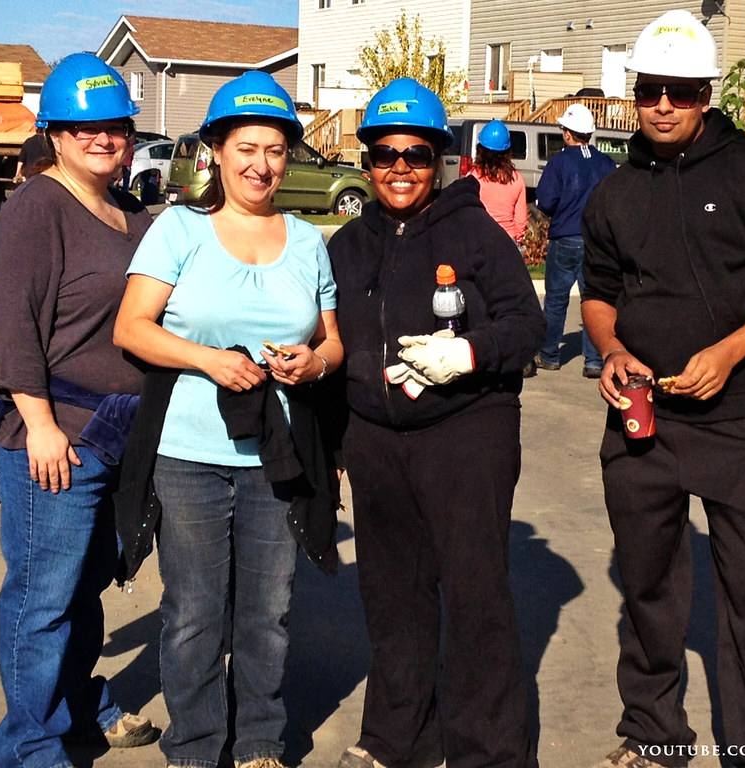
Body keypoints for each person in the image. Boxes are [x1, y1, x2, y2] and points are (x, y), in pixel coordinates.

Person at [580, 11, 745, 768]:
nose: (663, 105)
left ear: (706, 93)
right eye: (650, 89)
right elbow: (597, 291)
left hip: (738, 417)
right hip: (641, 416)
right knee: (649, 589)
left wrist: (729, 353)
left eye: (681, 92)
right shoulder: (614, 193)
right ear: (633, 92)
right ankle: (655, 735)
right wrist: (613, 348)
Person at [112, 70, 343, 768]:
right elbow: (132, 328)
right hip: (188, 455)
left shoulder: (307, 241)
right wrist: (208, 360)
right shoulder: (178, 229)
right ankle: (195, 745)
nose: (260, 164)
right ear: (216, 150)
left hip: (278, 457)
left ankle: (259, 743)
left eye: (275, 149)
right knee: (193, 613)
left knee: (267, 613)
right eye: (246, 147)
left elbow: (333, 340)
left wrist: (314, 363)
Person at [326, 78, 544, 768]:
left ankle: (488, 751)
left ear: (441, 159)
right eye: (385, 154)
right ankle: (399, 740)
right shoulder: (346, 245)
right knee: (391, 595)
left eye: (416, 155)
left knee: (475, 597)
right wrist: (334, 445)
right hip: (375, 440)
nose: (399, 168)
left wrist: (470, 351)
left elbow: (528, 327)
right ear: (365, 160)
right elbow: (326, 345)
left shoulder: (474, 231)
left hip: (466, 435)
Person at [0, 53, 159, 768]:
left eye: (114, 125)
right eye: (82, 126)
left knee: (85, 592)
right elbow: (12, 330)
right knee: (41, 601)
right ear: (53, 133)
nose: (101, 137)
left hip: (118, 437)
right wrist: (41, 426)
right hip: (55, 437)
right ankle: (29, 747)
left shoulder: (134, 214)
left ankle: (77, 706)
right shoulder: (36, 209)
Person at [531, 102, 616, 379]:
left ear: (568, 133)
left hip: (565, 236)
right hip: (597, 241)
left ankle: (549, 355)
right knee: (595, 299)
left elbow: (546, 200)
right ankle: (594, 360)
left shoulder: (559, 162)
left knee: (556, 300)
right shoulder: (606, 163)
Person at [465, 119, 527, 246]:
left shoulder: (473, 176)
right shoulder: (516, 178)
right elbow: (521, 219)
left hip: (479, 238)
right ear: (507, 151)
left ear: (481, 149)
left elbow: (466, 211)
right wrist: (518, 239)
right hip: (507, 240)